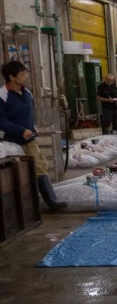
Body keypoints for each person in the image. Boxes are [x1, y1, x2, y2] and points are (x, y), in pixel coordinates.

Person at [0, 61, 66, 210]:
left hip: (29, 139)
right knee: (24, 172)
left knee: (39, 166)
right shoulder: (2, 96)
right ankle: (43, 203)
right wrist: (20, 130)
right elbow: (1, 120)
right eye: (22, 74)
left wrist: (31, 127)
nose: (26, 76)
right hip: (11, 142)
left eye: (26, 73)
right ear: (11, 77)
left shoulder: (27, 93)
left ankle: (49, 201)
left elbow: (28, 115)